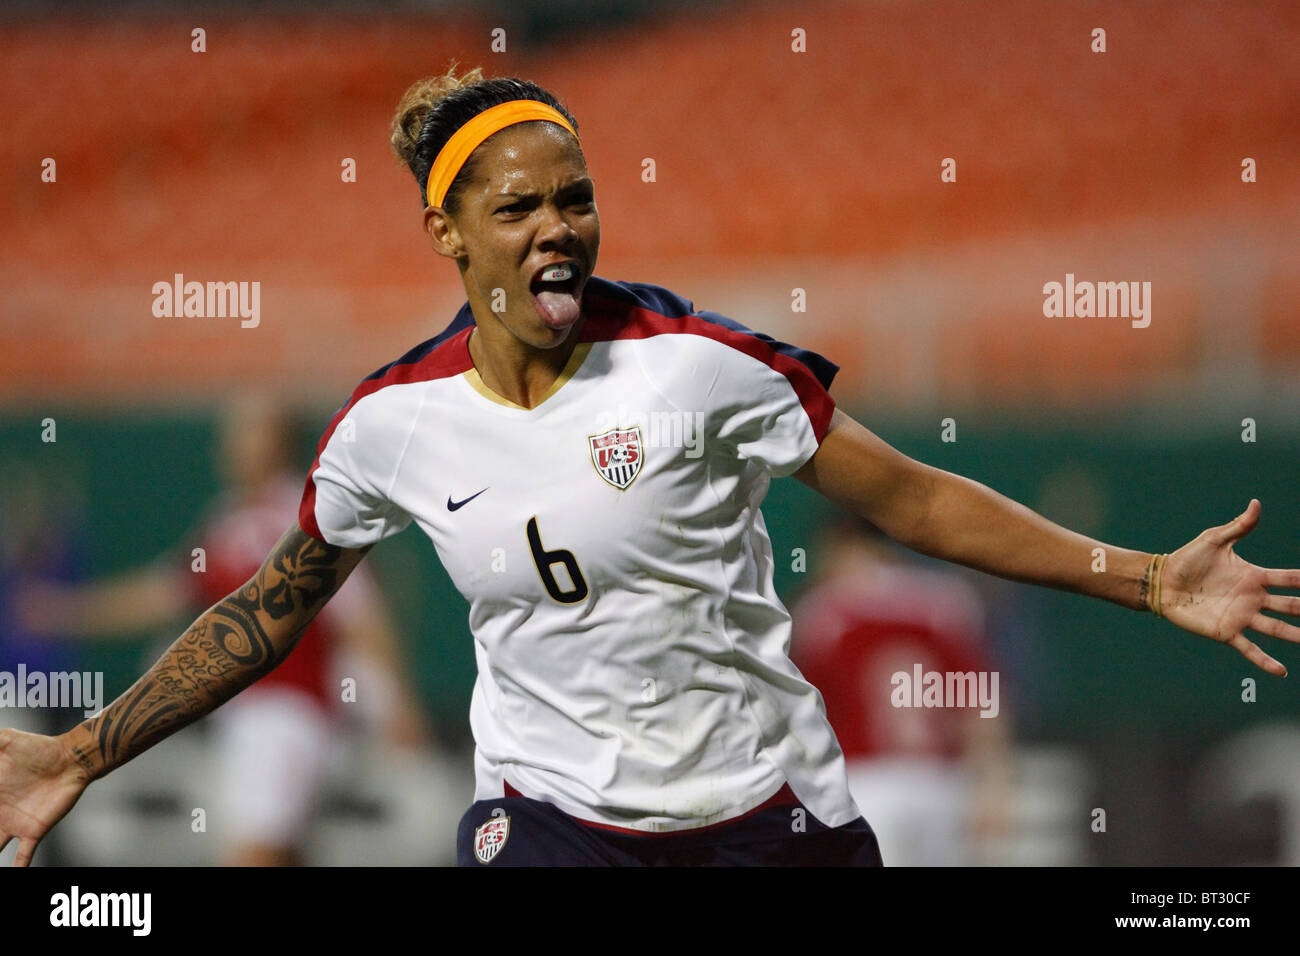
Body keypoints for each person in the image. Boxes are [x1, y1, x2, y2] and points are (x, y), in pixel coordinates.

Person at [1, 65, 1296, 868]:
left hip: (764, 810)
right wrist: (81, 754)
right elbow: (263, 613)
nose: (557, 229)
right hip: (549, 823)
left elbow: (911, 498)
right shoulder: (389, 424)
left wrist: (1143, 580)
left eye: (575, 197)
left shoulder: (700, 364)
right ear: (446, 234)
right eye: (518, 209)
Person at [16, 397, 430, 865]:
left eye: (250, 430)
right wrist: (66, 611)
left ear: (279, 441)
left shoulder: (302, 515)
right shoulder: (229, 520)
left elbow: (360, 617)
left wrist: (397, 701)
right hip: (245, 718)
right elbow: (163, 594)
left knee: (252, 854)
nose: (234, 443)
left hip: (290, 714)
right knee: (280, 853)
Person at [791, 515, 1014, 865]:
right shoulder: (943, 603)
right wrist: (993, 784)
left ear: (844, 546)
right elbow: (981, 705)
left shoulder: (825, 611)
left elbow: (799, 718)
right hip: (941, 784)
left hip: (865, 783)